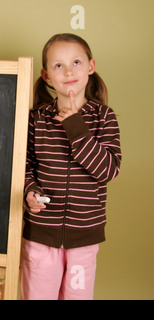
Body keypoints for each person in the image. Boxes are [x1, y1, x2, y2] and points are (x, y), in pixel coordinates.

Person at [21, 33, 122, 300]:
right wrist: (30, 191)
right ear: (46, 75)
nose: (68, 71)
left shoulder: (104, 118)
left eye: (76, 62)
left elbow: (108, 170)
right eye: (58, 66)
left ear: (90, 66)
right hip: (40, 235)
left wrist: (76, 127)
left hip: (83, 238)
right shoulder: (38, 119)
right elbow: (25, 165)